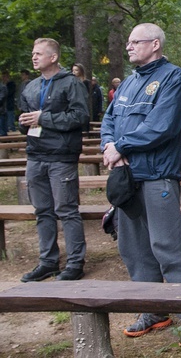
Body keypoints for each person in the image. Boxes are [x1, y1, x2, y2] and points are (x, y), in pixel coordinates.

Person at [100, 23, 181, 348]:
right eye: (128, 42)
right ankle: (153, 310)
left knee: (168, 247)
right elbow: (109, 120)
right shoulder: (129, 82)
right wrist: (109, 147)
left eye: (135, 42)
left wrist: (122, 146)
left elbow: (160, 127)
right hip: (127, 180)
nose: (128, 47)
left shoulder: (173, 77)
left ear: (155, 44)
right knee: (132, 248)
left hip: (158, 176)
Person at [18, 38, 89, 282]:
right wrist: (23, 122)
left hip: (61, 157)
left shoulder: (71, 83)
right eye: (33, 53)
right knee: (42, 212)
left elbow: (81, 117)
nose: (34, 57)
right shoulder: (30, 86)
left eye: (39, 53)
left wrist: (44, 118)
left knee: (66, 210)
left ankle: (75, 263)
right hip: (35, 155)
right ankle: (48, 261)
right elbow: (25, 118)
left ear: (53, 57)